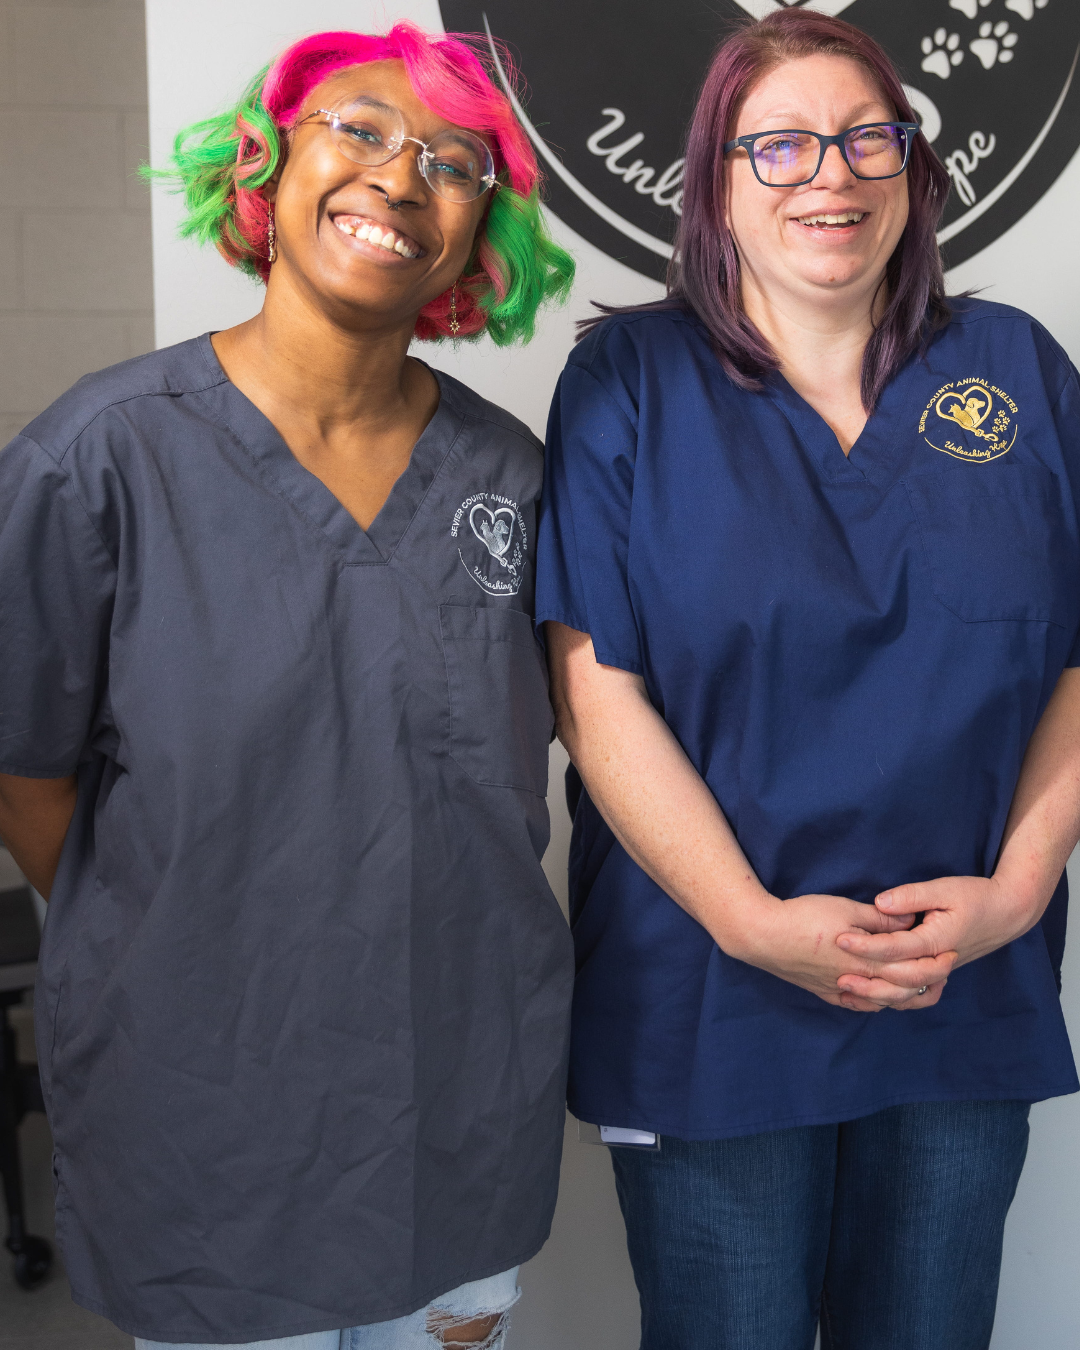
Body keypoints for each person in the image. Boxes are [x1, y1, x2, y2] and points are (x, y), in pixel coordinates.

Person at [0, 23, 574, 1350]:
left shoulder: (512, 477)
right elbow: (25, 770)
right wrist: (187, 934)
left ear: (480, 232)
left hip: (455, 1096)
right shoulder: (99, 456)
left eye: (451, 160)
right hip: (214, 1128)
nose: (396, 176)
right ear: (264, 165)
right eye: (356, 130)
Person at [537, 10, 1080, 1350]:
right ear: (716, 184)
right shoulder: (629, 382)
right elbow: (597, 696)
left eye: (864, 138)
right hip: (714, 993)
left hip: (957, 984)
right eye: (775, 145)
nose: (827, 175)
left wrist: (1016, 891)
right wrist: (746, 918)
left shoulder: (1017, 370)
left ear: (915, 169)